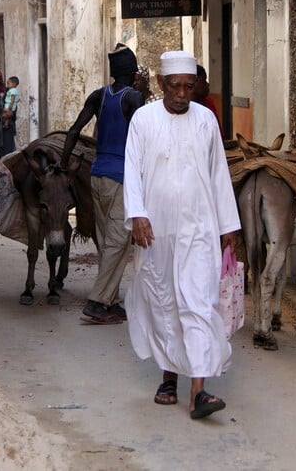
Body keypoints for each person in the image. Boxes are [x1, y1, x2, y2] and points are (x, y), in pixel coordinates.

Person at [123, 50, 241, 419]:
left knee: (199, 302)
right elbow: (132, 170)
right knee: (164, 301)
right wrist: (137, 214)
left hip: (198, 230)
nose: (181, 94)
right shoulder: (143, 120)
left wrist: (228, 226)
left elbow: (219, 175)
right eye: (174, 86)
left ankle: (199, 391)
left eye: (189, 87)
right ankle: (168, 377)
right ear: (161, 84)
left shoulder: (206, 120)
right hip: (156, 232)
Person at [60, 44, 144, 323]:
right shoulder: (133, 98)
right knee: (119, 241)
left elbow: (74, 130)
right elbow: (143, 136)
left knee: (109, 240)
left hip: (97, 174)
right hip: (121, 177)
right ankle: (96, 302)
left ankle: (109, 301)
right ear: (133, 73)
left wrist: (63, 164)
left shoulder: (99, 96)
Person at [193, 64, 225, 138]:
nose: (208, 84)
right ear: (194, 82)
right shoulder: (182, 108)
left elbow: (218, 134)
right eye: (204, 81)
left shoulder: (208, 103)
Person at [1, 76, 20, 155]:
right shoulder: (6, 91)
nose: (7, 84)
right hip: (1, 122)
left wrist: (9, 109)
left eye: (9, 83)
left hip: (9, 120)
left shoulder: (12, 91)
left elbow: (12, 102)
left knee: (8, 143)